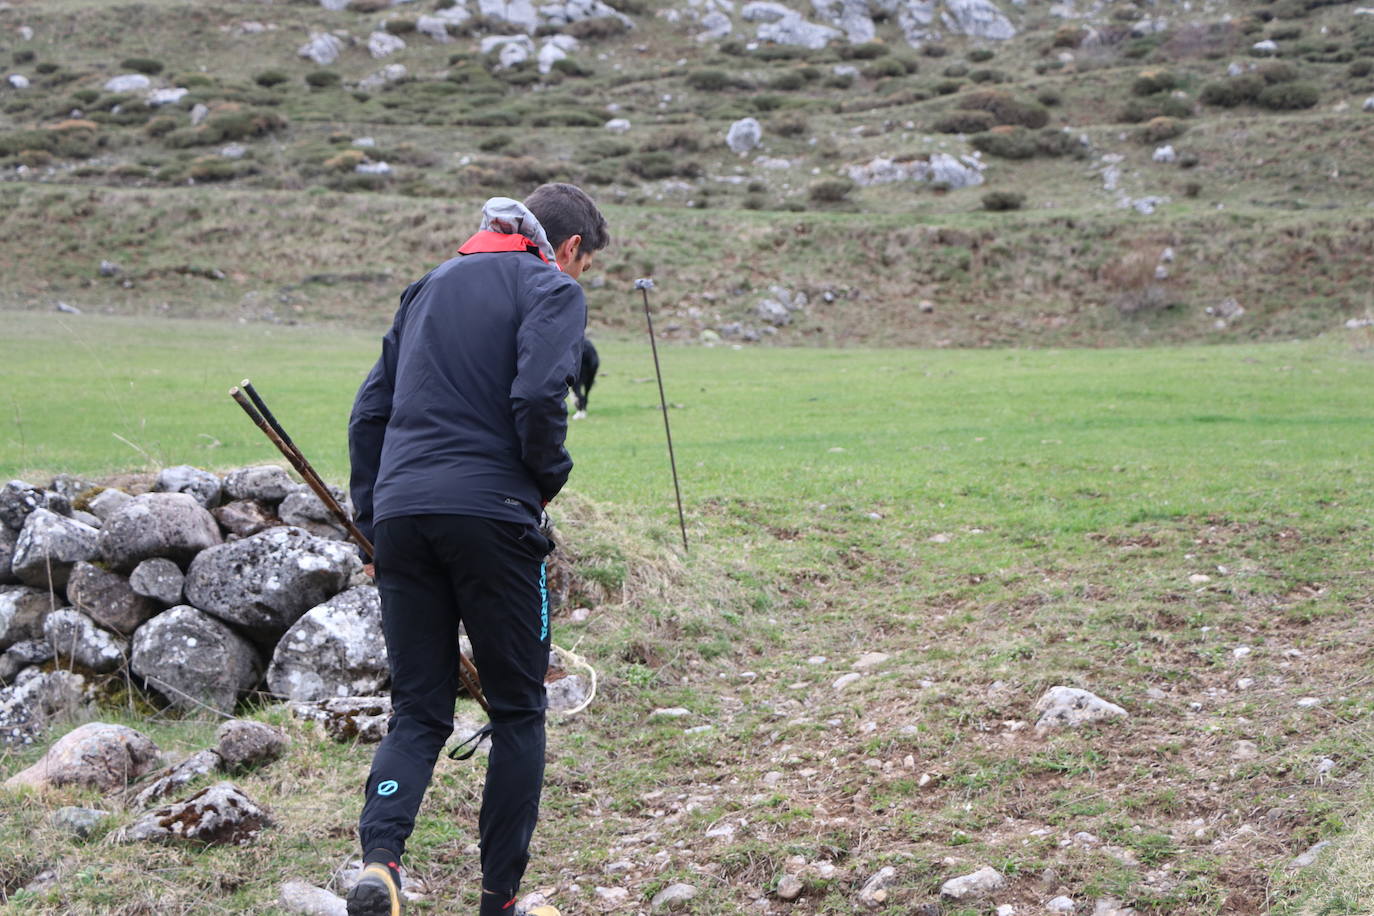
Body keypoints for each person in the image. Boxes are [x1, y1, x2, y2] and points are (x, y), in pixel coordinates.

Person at [345, 183, 610, 916]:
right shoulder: (550, 287)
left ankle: (381, 868)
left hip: (401, 516)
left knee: (419, 712)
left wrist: (373, 521)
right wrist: (548, 477)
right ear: (571, 249)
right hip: (493, 516)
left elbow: (369, 414)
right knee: (520, 709)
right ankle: (499, 903)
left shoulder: (426, 287)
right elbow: (535, 398)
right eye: (584, 265)